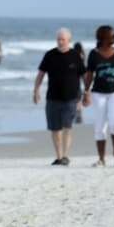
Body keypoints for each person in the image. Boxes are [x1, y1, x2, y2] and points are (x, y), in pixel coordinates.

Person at [82, 25, 114, 166]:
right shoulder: (94, 54)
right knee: (100, 127)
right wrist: (86, 91)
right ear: (104, 38)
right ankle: (101, 159)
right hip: (98, 93)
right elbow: (89, 75)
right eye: (113, 35)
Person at [33, 28, 85, 166]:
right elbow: (41, 74)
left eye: (63, 39)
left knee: (67, 127)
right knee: (55, 129)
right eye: (59, 39)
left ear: (69, 40)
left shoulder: (75, 56)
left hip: (71, 98)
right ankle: (59, 156)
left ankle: (65, 156)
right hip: (52, 98)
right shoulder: (50, 55)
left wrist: (87, 92)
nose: (60, 42)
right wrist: (36, 90)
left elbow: (84, 75)